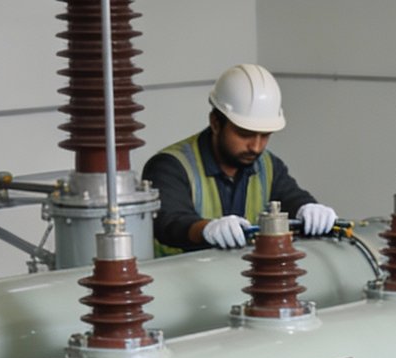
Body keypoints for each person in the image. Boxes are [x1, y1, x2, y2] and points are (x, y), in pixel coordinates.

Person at [142, 63, 337, 256]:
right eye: (245, 134)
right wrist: (206, 230)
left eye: (265, 135)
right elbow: (170, 223)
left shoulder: (268, 166)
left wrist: (308, 208)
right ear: (216, 123)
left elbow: (291, 196)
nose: (256, 146)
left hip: (242, 283)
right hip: (178, 283)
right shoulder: (170, 166)